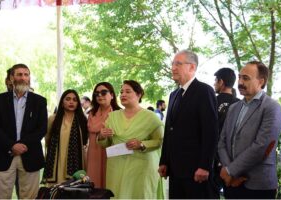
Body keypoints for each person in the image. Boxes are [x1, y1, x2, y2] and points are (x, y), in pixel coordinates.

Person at [158, 50, 218, 199]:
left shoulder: (204, 91)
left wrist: (205, 166)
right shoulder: (174, 95)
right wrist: (164, 161)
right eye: (172, 64)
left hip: (196, 170)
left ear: (192, 67)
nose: (173, 68)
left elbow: (210, 131)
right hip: (175, 169)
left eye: (178, 63)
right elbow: (169, 131)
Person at [218, 61, 281, 199]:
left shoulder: (272, 108)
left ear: (261, 81)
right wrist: (229, 173)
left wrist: (230, 170)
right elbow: (222, 142)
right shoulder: (233, 108)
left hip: (258, 187)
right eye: (239, 77)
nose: (240, 82)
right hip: (231, 185)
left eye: (245, 78)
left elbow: (261, 147)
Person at [98, 80, 164, 199]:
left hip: (141, 167)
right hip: (117, 166)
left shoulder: (151, 117)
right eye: (121, 92)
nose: (123, 94)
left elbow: (160, 141)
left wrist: (142, 144)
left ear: (139, 94)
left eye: (128, 91)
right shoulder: (113, 116)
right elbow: (105, 144)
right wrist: (102, 136)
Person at [0, 63, 47, 199]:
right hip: (3, 154)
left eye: (26, 74)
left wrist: (21, 145)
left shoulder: (39, 101)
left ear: (29, 78)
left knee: (29, 197)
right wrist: (11, 145)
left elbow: (42, 129)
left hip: (30, 154)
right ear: (11, 78)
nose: (23, 78)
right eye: (19, 74)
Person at [43, 89, 88, 186]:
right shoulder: (53, 119)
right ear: (62, 103)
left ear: (78, 104)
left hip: (75, 161)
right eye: (68, 99)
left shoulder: (82, 120)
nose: (71, 102)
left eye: (75, 100)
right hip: (56, 161)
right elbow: (47, 140)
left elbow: (85, 142)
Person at [86, 82, 121, 188]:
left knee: (110, 184)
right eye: (97, 94)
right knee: (94, 184)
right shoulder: (91, 114)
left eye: (103, 92)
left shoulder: (118, 113)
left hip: (110, 153)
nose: (100, 95)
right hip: (93, 154)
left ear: (112, 95)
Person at [213, 67, 240, 197]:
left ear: (221, 82)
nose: (214, 84)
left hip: (212, 157)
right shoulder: (241, 104)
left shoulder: (212, 101)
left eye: (215, 81)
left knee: (212, 193)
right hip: (233, 158)